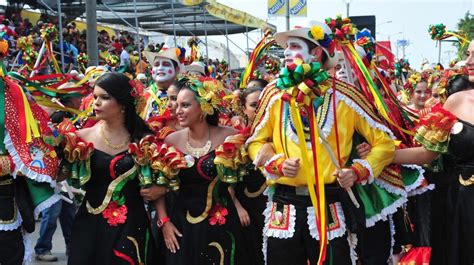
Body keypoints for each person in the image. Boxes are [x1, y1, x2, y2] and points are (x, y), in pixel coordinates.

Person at [247, 22, 395, 264]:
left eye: (294, 46)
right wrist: (276, 163)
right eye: (286, 47)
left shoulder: (344, 95)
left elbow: (385, 143)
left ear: (315, 52)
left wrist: (357, 171)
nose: (286, 52)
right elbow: (255, 141)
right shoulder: (274, 94)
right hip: (284, 205)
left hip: (329, 204)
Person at [61, 72, 158, 265]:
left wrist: (160, 190)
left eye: (105, 98)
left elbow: (167, 178)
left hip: (131, 226)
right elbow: (57, 174)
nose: (96, 103)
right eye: (95, 97)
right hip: (89, 224)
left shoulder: (145, 140)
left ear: (122, 103)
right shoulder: (80, 137)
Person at [392, 40, 474, 264]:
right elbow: (428, 153)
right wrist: (384, 154)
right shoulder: (456, 102)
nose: (468, 62)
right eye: (468, 54)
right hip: (461, 203)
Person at [160, 77, 251, 264]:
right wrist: (164, 223)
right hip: (182, 226)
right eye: (177, 105)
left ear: (203, 107)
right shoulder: (170, 141)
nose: (178, 111)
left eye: (185, 105)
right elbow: (160, 188)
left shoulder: (229, 137)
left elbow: (236, 180)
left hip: (222, 223)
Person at [137, 48, 182, 121]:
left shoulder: (184, 94)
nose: (160, 68)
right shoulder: (143, 96)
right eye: (156, 65)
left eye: (166, 64)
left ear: (177, 70)